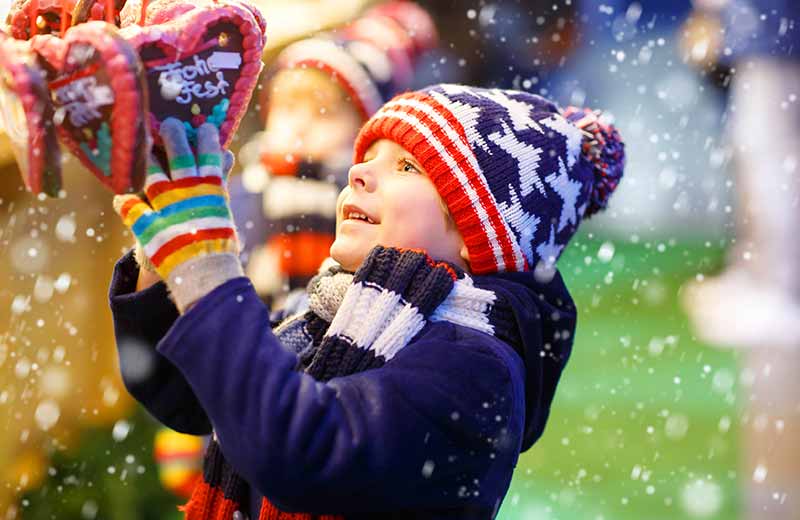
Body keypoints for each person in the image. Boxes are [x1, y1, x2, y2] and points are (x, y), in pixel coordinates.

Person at [108, 84, 625, 519]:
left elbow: (297, 451)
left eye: (406, 167)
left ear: (480, 232)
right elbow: (190, 393)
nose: (358, 173)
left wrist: (211, 273)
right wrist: (167, 258)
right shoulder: (341, 312)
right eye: (367, 157)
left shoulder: (475, 367)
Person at [231, 0, 438, 309]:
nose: (300, 125)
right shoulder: (246, 188)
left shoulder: (361, 200)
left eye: (323, 113)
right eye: (287, 108)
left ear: (361, 128)